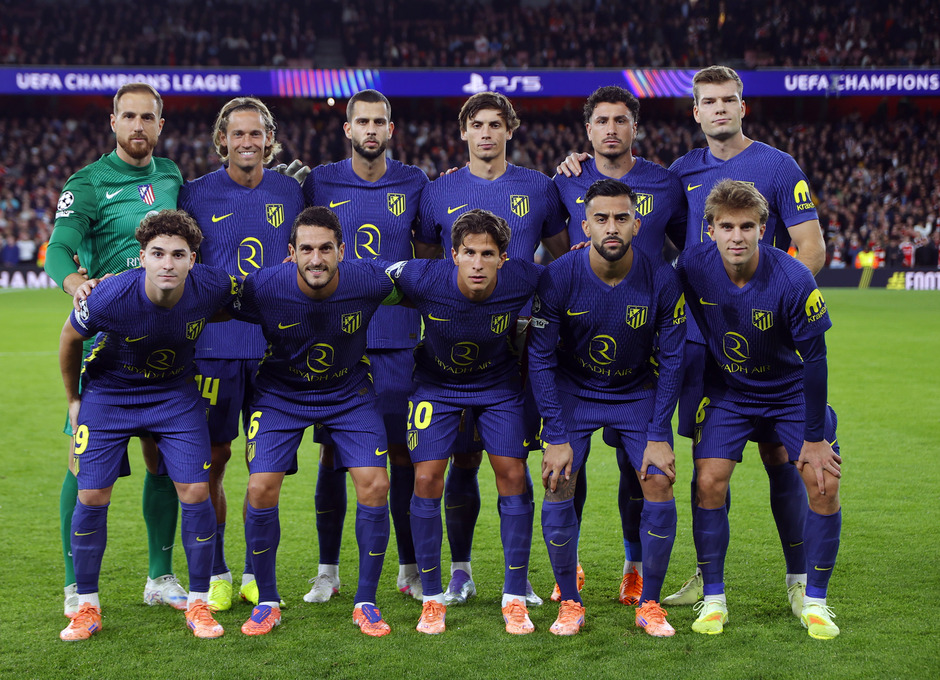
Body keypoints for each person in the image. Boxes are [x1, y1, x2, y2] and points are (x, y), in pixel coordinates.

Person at [415, 91, 568, 607]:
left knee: (513, 464)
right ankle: (460, 572)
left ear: (510, 130)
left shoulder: (541, 188)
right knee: (460, 462)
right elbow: (430, 268)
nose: (486, 133)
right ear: (464, 132)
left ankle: (516, 574)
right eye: (477, 124)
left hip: (520, 349)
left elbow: (565, 260)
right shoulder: (437, 193)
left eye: (495, 124)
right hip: (454, 344)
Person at [58, 210, 239, 640]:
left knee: (196, 490)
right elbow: (69, 338)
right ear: (142, 257)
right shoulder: (110, 296)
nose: (167, 264)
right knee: (92, 492)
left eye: (178, 255)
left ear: (193, 259)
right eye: (157, 254)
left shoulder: (211, 285)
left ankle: (199, 603)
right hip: (111, 393)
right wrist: (73, 400)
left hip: (174, 395)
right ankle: (86, 606)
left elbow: (252, 299)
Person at [675, 180, 842, 639]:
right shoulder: (691, 266)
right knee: (708, 481)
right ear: (709, 230)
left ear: (764, 230)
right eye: (726, 226)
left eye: (747, 226)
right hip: (729, 392)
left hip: (789, 391)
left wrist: (814, 437)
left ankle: (814, 600)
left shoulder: (793, 278)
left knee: (823, 481)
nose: (737, 236)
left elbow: (817, 360)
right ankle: (713, 599)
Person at [45, 83, 187, 618]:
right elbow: (58, 248)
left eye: (148, 117)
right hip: (105, 345)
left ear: (160, 124)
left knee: (162, 460)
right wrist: (74, 283)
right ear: (112, 122)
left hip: (166, 342)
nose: (138, 126)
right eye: (128, 116)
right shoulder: (87, 184)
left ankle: (159, 575)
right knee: (83, 466)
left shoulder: (172, 175)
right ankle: (73, 585)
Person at [528, 179, 685, 637]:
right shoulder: (558, 276)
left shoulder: (662, 277)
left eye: (621, 218)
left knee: (658, 481)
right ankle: (570, 604)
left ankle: (650, 603)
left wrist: (659, 434)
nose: (611, 227)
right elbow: (539, 357)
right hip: (574, 390)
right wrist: (555, 435)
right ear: (585, 224)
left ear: (637, 224)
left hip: (636, 392)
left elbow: (672, 358)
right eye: (601, 218)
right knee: (558, 482)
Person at [230, 206, 395, 637]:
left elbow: (426, 279)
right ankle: (266, 601)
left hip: (348, 392)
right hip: (281, 394)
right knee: (259, 486)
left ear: (343, 251)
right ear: (291, 253)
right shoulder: (264, 285)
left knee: (376, 483)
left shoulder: (370, 280)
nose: (316, 259)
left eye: (326, 249)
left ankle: (366, 602)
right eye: (306, 249)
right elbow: (205, 297)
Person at [552, 86, 687, 606]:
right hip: (579, 347)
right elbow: (557, 247)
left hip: (644, 351)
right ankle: (574, 564)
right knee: (570, 466)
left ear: (636, 127)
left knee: (642, 471)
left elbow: (684, 246)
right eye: (602, 120)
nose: (611, 128)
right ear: (587, 130)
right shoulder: (565, 179)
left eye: (621, 120)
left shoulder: (665, 183)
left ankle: (635, 566)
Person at [300, 89, 428, 603]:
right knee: (333, 455)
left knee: (401, 456)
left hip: (397, 340)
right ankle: (327, 571)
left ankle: (410, 567)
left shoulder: (414, 182)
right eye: (362, 123)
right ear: (347, 130)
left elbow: (430, 254)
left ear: (391, 130)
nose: (371, 130)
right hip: (336, 340)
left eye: (380, 122)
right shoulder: (319, 180)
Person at [387, 209, 542, 635]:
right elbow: (373, 275)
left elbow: (569, 279)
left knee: (512, 474)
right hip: (435, 387)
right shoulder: (423, 277)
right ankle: (433, 598)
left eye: (487, 254)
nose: (477, 262)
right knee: (426, 480)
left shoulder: (525, 278)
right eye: (469, 252)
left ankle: (513, 597)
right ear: (453, 255)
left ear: (503, 259)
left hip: (497, 386)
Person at [177, 96, 304, 612]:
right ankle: (218, 572)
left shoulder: (293, 191)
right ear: (222, 139)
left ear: (270, 140)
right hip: (213, 349)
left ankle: (256, 572)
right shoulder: (194, 194)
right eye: (238, 134)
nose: (248, 142)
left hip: (276, 349)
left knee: (262, 467)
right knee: (212, 460)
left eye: (257, 134)